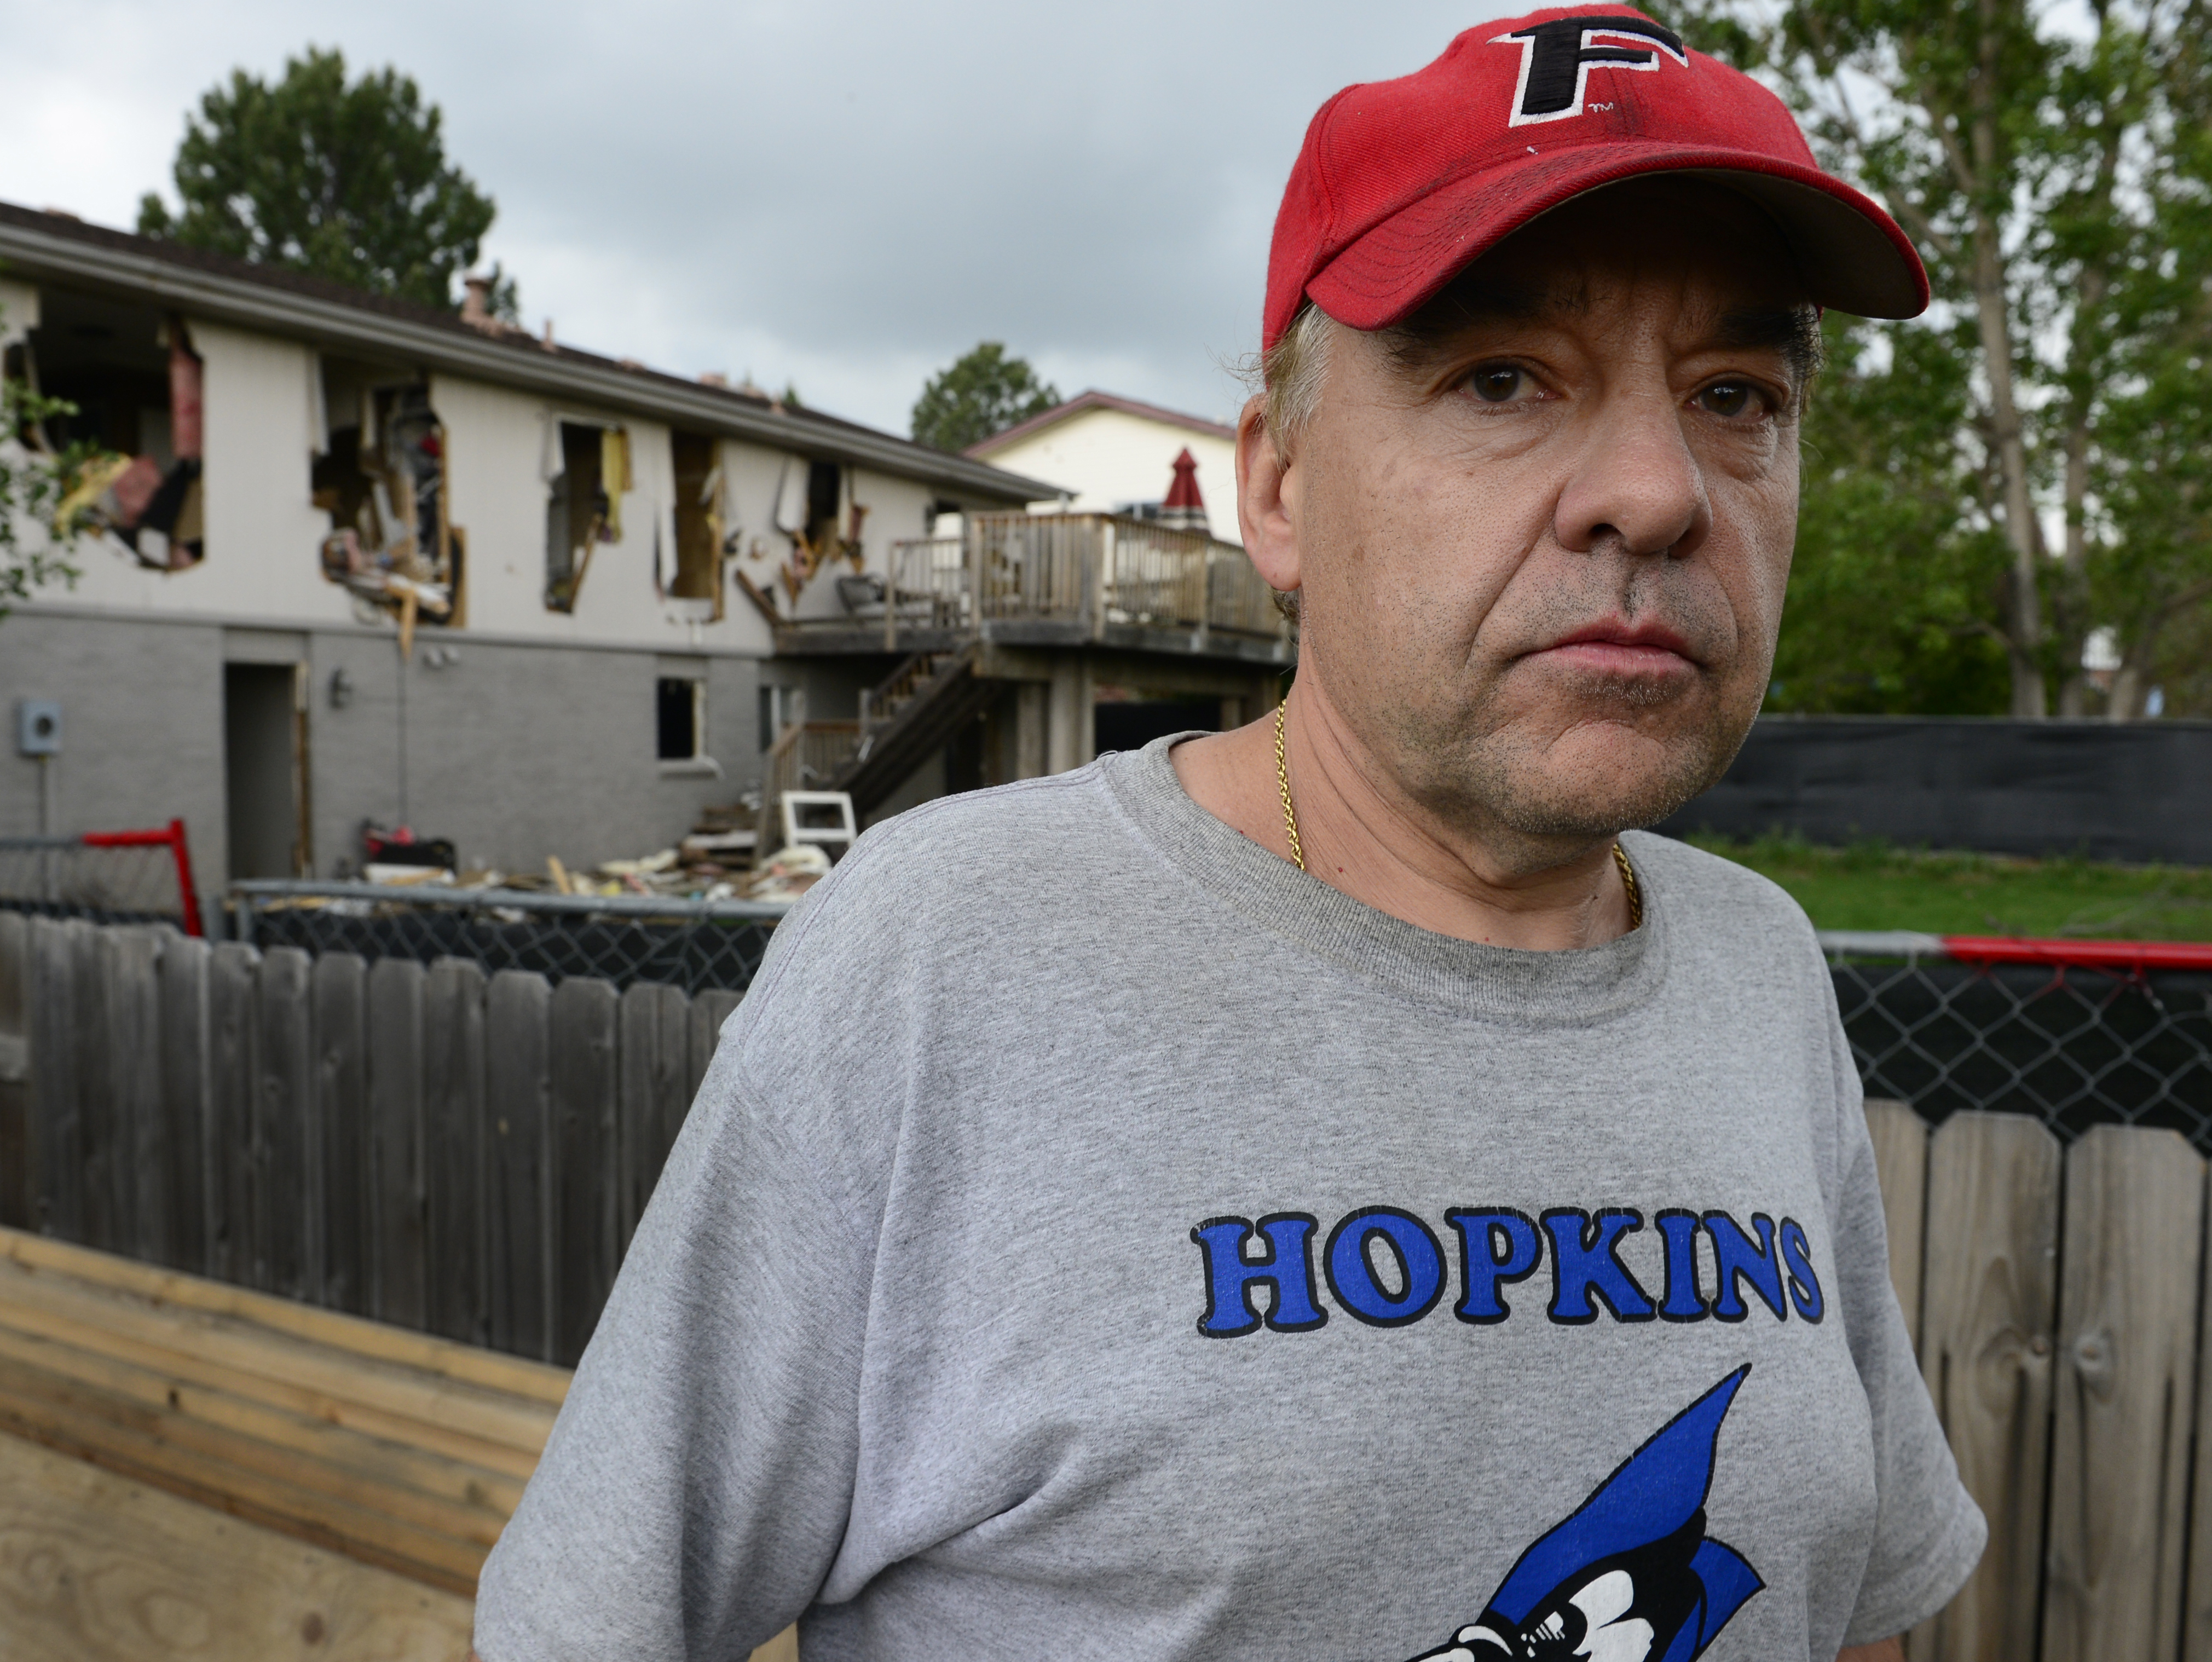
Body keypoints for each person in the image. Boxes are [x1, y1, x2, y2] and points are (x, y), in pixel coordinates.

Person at [472, 8, 1984, 1659]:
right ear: (1276, 490)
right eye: (1501, 377)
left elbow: (1855, 1595)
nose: (1655, 487)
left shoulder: (1758, 970)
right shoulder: (947, 958)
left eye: (1734, 393)